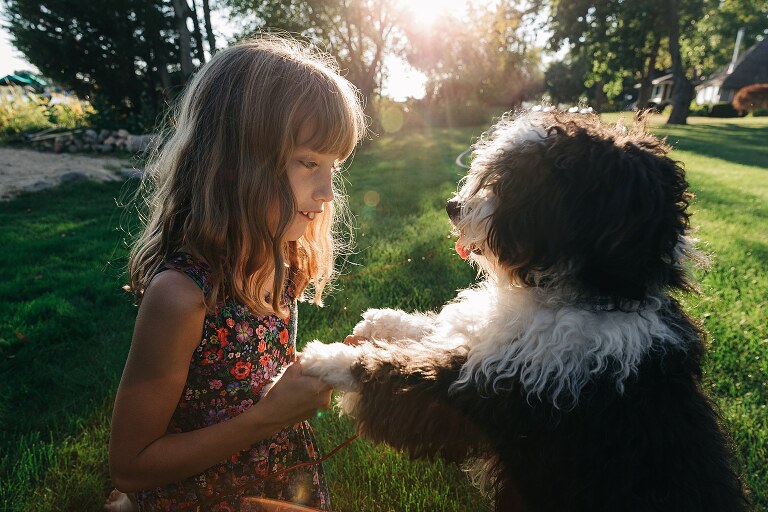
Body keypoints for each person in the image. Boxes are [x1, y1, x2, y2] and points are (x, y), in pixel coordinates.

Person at [105, 35, 367, 512]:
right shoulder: (182, 297)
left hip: (278, 484)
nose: (328, 191)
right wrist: (268, 418)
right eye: (309, 162)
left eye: (334, 167)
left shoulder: (283, 261)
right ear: (237, 160)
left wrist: (319, 372)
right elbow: (131, 465)